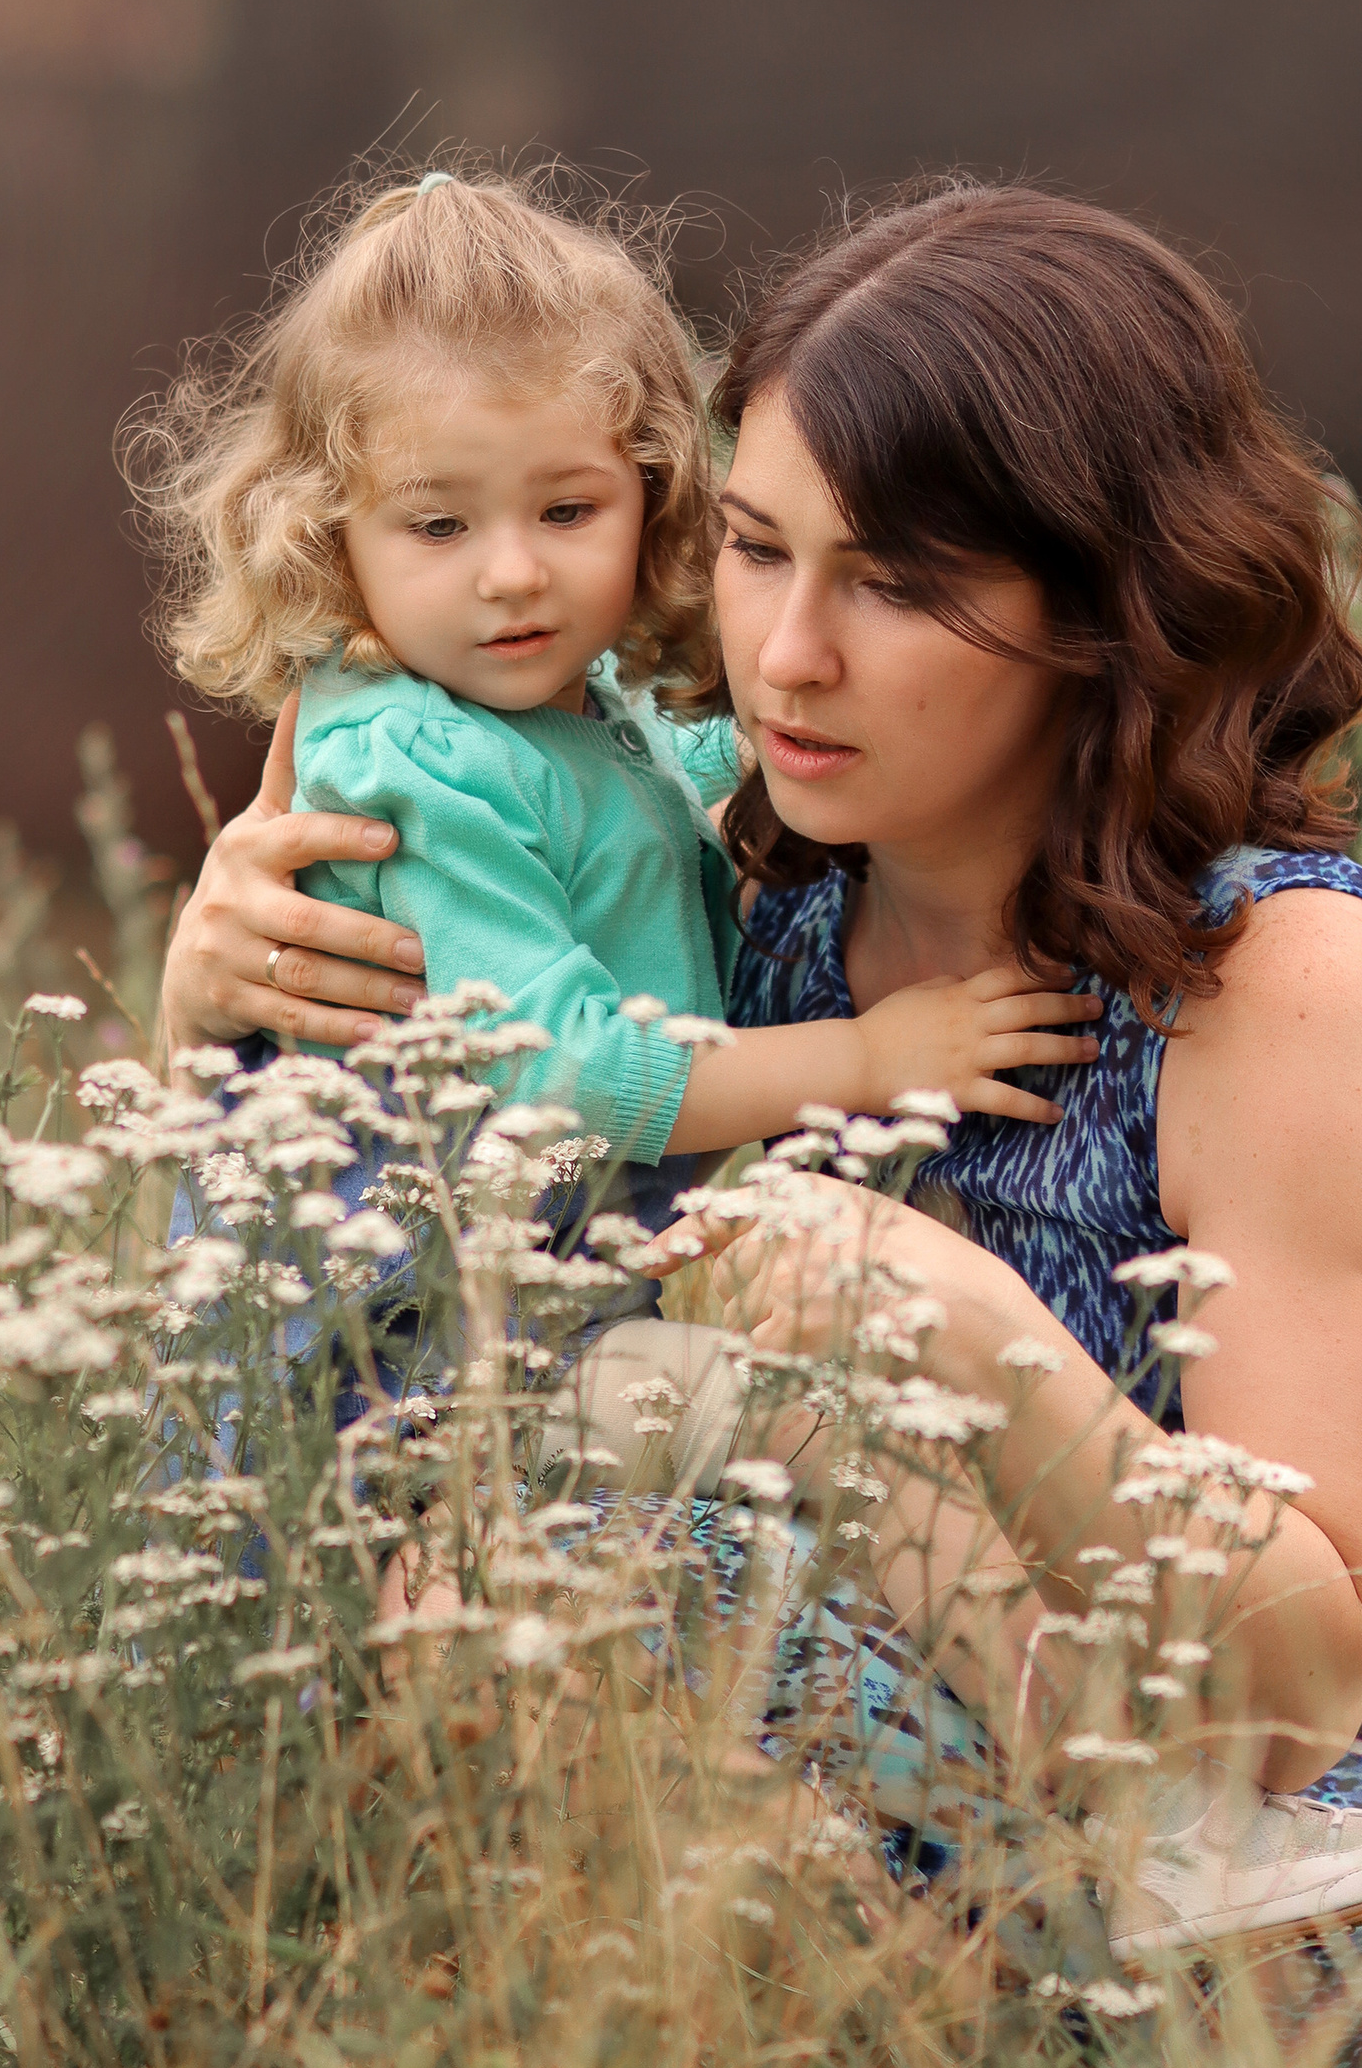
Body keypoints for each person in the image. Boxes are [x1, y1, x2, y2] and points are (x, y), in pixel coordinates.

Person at [158, 182, 1362, 1970]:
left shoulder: (1295, 983)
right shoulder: (746, 904)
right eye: (758, 550)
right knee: (487, 1600)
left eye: (896, 584)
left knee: (559, 1609)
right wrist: (233, 1001)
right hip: (919, 1801)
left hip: (1316, 1909)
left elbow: (1303, 1694)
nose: (784, 656)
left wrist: (961, 1329)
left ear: (1107, 604)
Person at [131, 164, 1099, 1452]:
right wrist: (875, 1060)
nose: (515, 572)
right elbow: (565, 1075)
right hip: (406, 1351)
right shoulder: (417, 759)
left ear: (654, 491)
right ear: (326, 538)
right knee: (850, 1435)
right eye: (437, 524)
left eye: (569, 508)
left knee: (872, 1426)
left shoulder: (589, 703)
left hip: (545, 1304)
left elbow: (709, 772)